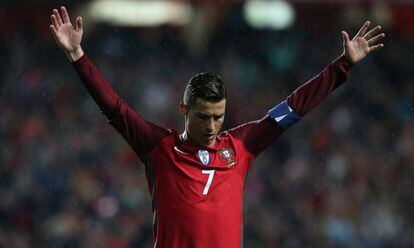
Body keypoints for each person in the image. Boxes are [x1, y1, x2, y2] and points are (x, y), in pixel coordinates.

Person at [50, 6, 385, 248]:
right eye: (203, 116)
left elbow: (293, 108)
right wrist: (78, 56)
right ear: (184, 109)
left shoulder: (240, 146)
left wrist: (341, 66)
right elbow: (115, 108)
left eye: (218, 116)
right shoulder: (159, 148)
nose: (212, 125)